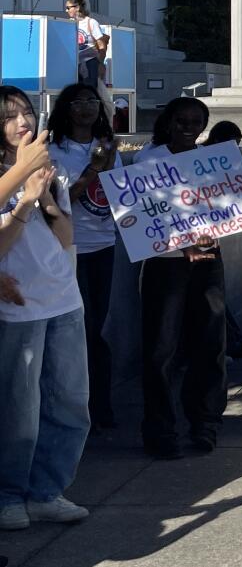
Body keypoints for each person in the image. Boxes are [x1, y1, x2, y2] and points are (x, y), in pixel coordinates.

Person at [0, 86, 90, 531]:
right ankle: (9, 496)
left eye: (28, 113)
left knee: (70, 402)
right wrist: (24, 190)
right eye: (11, 116)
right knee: (19, 409)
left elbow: (66, 237)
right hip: (19, 308)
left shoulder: (48, 171)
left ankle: (48, 491)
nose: (24, 122)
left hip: (63, 299)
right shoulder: (9, 176)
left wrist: (47, 195)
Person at [134, 97, 228, 459]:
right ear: (168, 122)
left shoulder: (211, 160)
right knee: (161, 349)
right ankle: (160, 430)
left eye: (196, 121)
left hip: (208, 259)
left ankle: (204, 423)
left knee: (209, 343)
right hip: (166, 263)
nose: (188, 126)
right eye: (182, 120)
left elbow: (226, 207)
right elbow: (141, 215)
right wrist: (181, 242)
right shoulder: (148, 160)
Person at [47, 84, 119, 430]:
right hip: (70, 249)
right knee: (80, 329)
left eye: (92, 101)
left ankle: (101, 403)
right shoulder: (53, 151)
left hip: (104, 245)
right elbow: (61, 204)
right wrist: (93, 170)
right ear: (66, 109)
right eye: (78, 102)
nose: (87, 108)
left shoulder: (107, 147)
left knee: (98, 327)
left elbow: (121, 198)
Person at [66, 0, 107, 89]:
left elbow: (101, 45)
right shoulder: (69, 23)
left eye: (68, 8)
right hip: (75, 65)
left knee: (90, 91)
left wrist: (100, 63)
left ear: (77, 7)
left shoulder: (91, 22)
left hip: (90, 63)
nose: (66, 11)